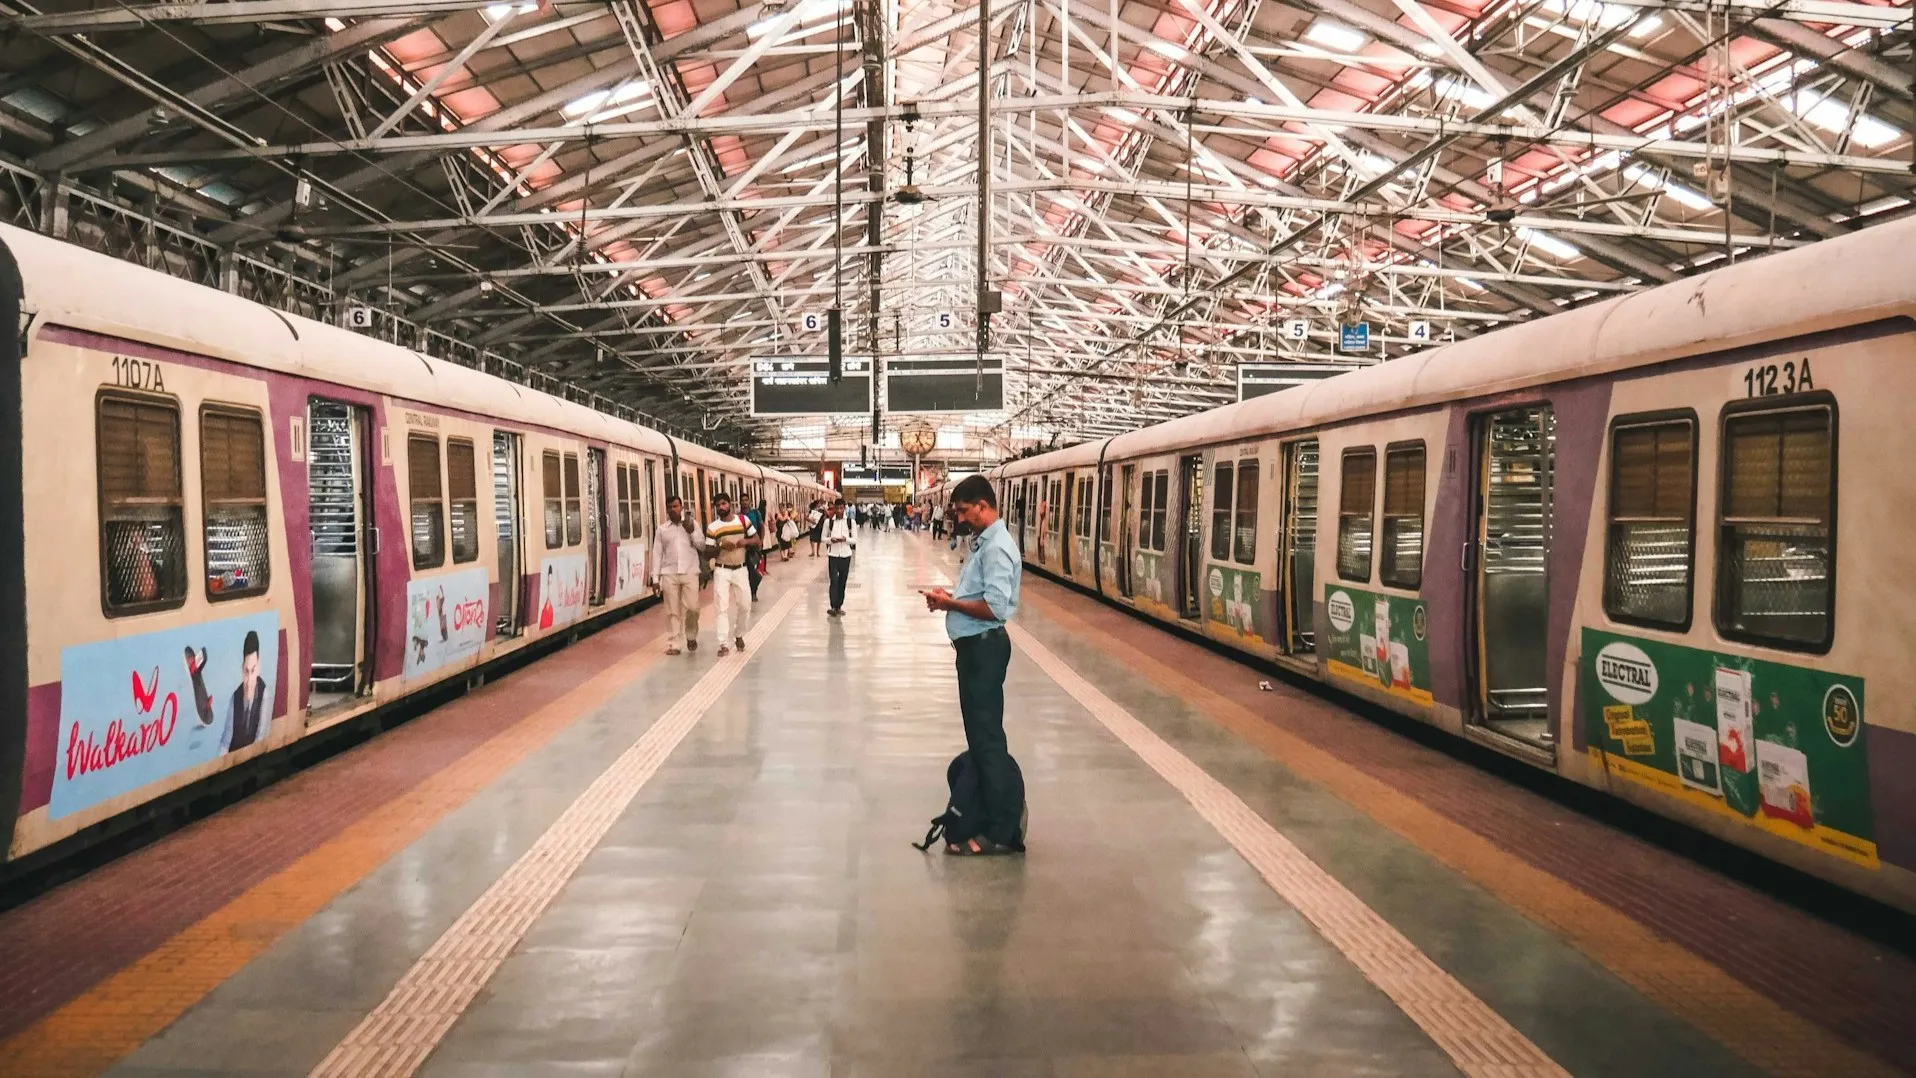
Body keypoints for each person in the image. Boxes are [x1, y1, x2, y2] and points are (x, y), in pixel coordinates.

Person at [920, 475, 1024, 856]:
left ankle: (1000, 831)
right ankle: (989, 819)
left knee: (988, 743)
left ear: (983, 505)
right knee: (982, 741)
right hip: (976, 650)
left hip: (984, 651)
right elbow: (981, 597)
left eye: (965, 511)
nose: (962, 518)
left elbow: (995, 608)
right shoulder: (987, 544)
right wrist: (952, 599)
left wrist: (951, 605)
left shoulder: (996, 548)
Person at [648, 495, 704, 655]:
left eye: (675, 506)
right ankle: (674, 644)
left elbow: (701, 546)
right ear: (666, 509)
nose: (673, 509)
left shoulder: (693, 524)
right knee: (672, 610)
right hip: (669, 574)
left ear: (682, 507)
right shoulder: (662, 530)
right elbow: (657, 554)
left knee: (693, 607)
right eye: (670, 507)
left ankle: (691, 635)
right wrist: (655, 579)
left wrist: (691, 531)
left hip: (690, 571)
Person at [705, 492, 758, 655]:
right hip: (722, 569)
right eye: (718, 505)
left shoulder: (743, 521)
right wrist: (720, 546)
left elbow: (756, 539)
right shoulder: (713, 528)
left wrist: (745, 542)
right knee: (721, 607)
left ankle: (739, 634)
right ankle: (723, 644)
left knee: (745, 605)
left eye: (724, 504)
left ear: (730, 504)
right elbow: (707, 552)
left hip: (741, 569)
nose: (721, 507)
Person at [221, 630, 271, 753]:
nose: (249, 680)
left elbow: (260, 738)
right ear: (242, 668)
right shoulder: (235, 697)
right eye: (246, 671)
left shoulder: (264, 694)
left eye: (253, 671)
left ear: (258, 668)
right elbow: (226, 741)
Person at [825, 500, 856, 616]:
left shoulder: (850, 522)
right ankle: (833, 606)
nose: (839, 511)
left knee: (842, 582)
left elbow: (855, 539)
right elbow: (823, 538)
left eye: (841, 508)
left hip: (846, 555)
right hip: (833, 555)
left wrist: (846, 540)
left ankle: (839, 606)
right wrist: (830, 540)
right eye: (837, 508)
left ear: (844, 509)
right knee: (834, 581)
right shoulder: (829, 523)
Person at [744, 500, 766, 602]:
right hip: (744, 548)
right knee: (748, 571)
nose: (744, 502)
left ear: (750, 502)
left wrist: (760, 541)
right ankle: (750, 592)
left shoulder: (755, 513)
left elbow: (761, 527)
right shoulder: (739, 516)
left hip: (755, 547)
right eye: (742, 500)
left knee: (756, 571)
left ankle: (754, 591)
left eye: (746, 500)